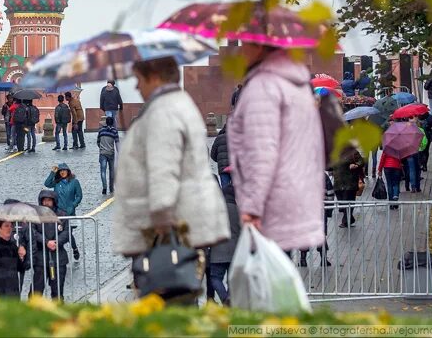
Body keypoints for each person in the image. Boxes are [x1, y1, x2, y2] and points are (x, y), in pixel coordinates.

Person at [113, 57, 230, 295]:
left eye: (139, 80)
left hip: (165, 233)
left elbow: (162, 173)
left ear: (155, 77)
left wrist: (161, 227)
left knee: (164, 305)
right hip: (176, 230)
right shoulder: (175, 106)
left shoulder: (164, 113)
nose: (137, 87)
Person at [227, 44, 325, 252]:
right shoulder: (296, 85)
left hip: (271, 205)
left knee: (268, 276)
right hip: (297, 196)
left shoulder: (262, 88)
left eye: (246, 45)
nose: (241, 52)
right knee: (281, 274)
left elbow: (262, 154)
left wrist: (252, 209)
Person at [31, 190, 70, 300]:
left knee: (57, 291)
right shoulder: (35, 216)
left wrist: (56, 242)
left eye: (49, 200)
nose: (46, 203)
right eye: (44, 200)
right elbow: (32, 232)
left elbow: (67, 232)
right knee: (36, 291)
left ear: (54, 201)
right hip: (40, 258)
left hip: (59, 257)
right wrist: (46, 242)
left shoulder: (62, 214)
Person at [206, 182, 240, 306]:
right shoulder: (239, 210)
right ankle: (230, 299)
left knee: (215, 277)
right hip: (234, 251)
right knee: (232, 279)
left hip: (217, 250)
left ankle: (225, 298)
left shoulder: (216, 210)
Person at [44, 163, 83, 260]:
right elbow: (47, 183)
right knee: (57, 232)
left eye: (64, 170)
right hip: (58, 212)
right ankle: (56, 252)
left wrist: (73, 205)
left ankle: (74, 248)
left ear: (68, 171)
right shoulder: (57, 182)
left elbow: (79, 196)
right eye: (60, 171)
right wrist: (52, 172)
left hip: (69, 212)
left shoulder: (74, 182)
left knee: (68, 232)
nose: (62, 172)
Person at [333, 147, 365, 228]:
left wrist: (356, 165)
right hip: (338, 183)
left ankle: (345, 221)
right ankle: (350, 218)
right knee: (342, 203)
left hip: (350, 182)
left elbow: (361, 161)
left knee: (348, 202)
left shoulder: (353, 152)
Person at [97, 116, 120, 194]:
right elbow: (117, 143)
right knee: (111, 171)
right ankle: (111, 188)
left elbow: (98, 141)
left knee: (103, 171)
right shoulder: (114, 131)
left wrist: (101, 147)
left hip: (102, 153)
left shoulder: (101, 131)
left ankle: (104, 187)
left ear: (106, 122)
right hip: (111, 153)